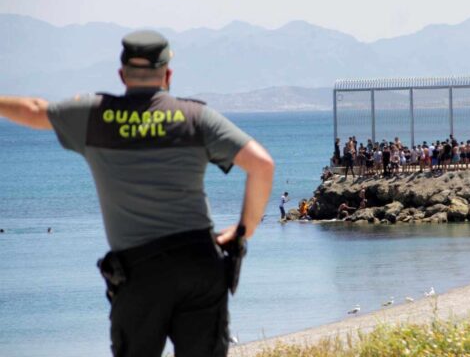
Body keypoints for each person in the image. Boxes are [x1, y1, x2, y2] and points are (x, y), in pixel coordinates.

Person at [0, 30, 275, 357]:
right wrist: (244, 229)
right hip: (200, 264)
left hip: (140, 274)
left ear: (121, 74)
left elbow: (33, 109)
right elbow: (262, 165)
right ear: (168, 74)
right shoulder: (196, 117)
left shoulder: (94, 114)